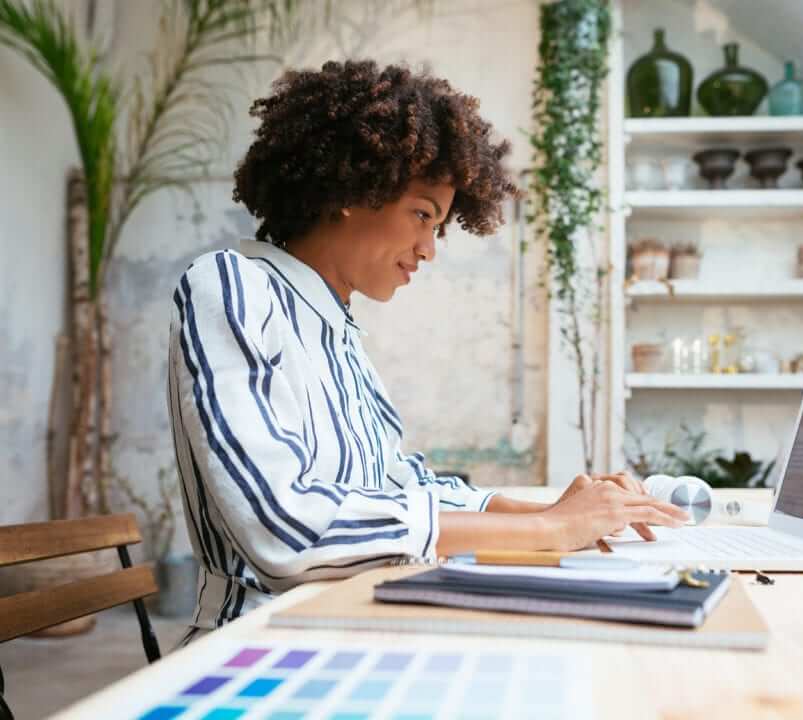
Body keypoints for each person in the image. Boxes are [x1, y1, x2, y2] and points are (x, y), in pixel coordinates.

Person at [167, 59, 688, 640]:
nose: (428, 250)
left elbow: (398, 486)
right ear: (351, 189)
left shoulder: (337, 332)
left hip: (357, 622)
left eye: (437, 227)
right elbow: (286, 528)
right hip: (262, 646)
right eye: (421, 215)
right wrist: (547, 532)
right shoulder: (232, 286)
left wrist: (545, 511)